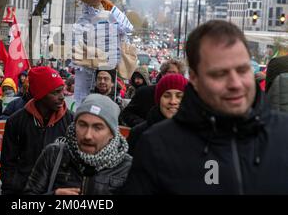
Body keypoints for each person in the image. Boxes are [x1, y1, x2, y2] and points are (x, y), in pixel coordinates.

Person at [123, 20, 288, 194]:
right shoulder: (156, 146)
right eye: (219, 73)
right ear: (194, 78)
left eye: (242, 70)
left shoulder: (283, 134)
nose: (235, 84)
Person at [25, 94, 131, 195]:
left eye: (97, 127)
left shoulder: (127, 167)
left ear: (112, 133)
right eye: (82, 125)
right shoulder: (53, 155)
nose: (87, 136)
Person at [69, 0, 134, 106]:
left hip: (108, 72)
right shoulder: (82, 20)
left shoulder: (111, 13)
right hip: (87, 75)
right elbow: (77, 54)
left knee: (106, 104)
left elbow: (127, 28)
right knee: (85, 104)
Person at [0, 66, 73, 195]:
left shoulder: (73, 121)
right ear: (41, 94)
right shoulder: (15, 122)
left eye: (62, 91)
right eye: (55, 92)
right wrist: (11, 187)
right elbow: (7, 164)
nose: (62, 97)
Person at [127, 74, 188, 157]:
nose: (173, 101)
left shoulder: (198, 134)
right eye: (167, 96)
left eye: (179, 96)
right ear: (158, 100)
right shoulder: (139, 134)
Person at [120, 58, 185, 127]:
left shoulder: (186, 96)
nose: (173, 101)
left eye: (178, 74)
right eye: (171, 72)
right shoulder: (145, 92)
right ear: (163, 74)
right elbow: (127, 114)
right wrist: (145, 125)